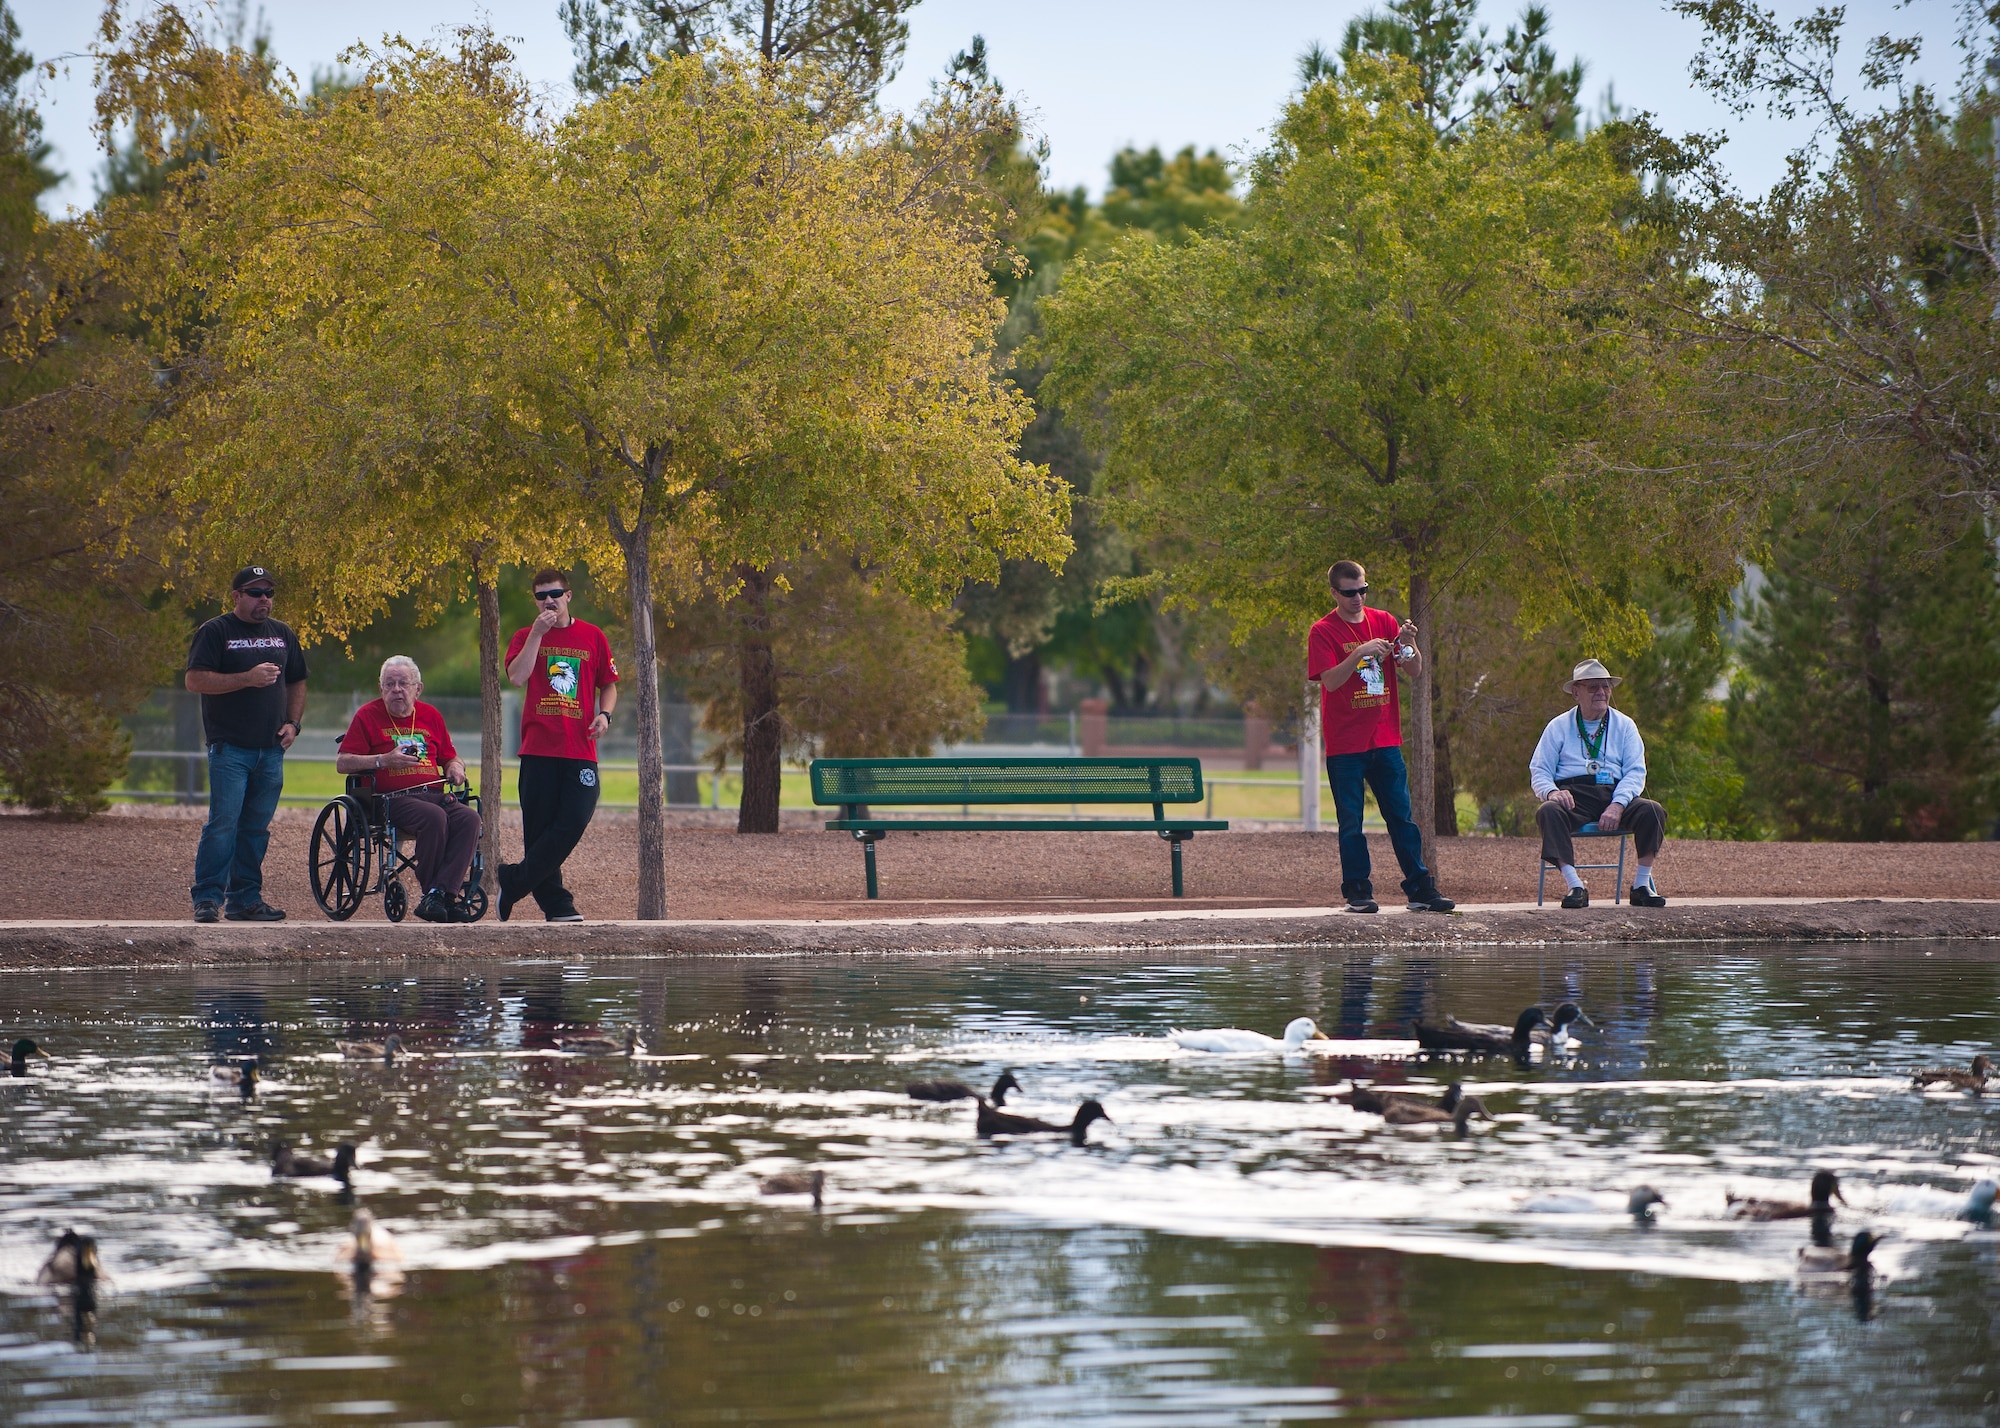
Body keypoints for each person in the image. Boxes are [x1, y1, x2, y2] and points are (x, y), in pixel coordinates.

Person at [1306, 560, 1455, 914]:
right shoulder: (1322, 631)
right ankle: (1358, 892)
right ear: (1334, 593)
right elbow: (1329, 681)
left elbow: (1414, 670)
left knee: (1401, 817)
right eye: (1349, 592)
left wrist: (1408, 643)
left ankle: (1421, 890)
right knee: (1351, 821)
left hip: (1385, 740)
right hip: (1346, 744)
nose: (1358, 597)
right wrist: (1359, 653)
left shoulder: (1384, 620)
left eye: (1362, 590)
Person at [184, 565, 308, 923]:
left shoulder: (282, 634)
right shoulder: (215, 631)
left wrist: (293, 723)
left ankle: (245, 900)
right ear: (237, 596)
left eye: (269, 593)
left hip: (271, 749)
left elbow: (297, 679)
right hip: (230, 748)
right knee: (223, 823)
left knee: (255, 828)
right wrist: (247, 678)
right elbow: (195, 680)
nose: (264, 599)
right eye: (256, 593)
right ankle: (207, 898)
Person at [498, 569, 619, 923]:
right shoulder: (525, 636)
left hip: (580, 748)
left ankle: (514, 880)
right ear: (535, 601)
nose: (548, 600)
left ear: (569, 595)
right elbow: (518, 677)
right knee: (539, 831)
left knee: (575, 819)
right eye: (540, 595)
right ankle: (557, 906)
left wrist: (605, 715)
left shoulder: (593, 636)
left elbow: (609, 684)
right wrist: (537, 632)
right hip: (538, 749)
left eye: (555, 593)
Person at [335, 656, 483, 923]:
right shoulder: (367, 715)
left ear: (418, 688)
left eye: (403, 683)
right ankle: (433, 893)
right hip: (390, 799)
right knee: (433, 817)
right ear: (381, 689)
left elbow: (451, 756)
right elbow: (343, 762)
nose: (396, 690)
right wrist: (383, 760)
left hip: (435, 793)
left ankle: (443, 893)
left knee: (469, 819)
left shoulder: (431, 715)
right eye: (389, 684)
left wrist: (455, 768)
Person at [1529, 658, 1668, 908]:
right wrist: (1552, 792)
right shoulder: (1558, 726)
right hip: (1574, 795)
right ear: (1576, 692)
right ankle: (1575, 886)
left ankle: (1640, 886)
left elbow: (1635, 772)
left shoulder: (1625, 725)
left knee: (1652, 810)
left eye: (1606, 687)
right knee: (1548, 812)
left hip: (1615, 793)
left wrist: (1618, 804)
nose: (1601, 693)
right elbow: (1539, 770)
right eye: (1593, 687)